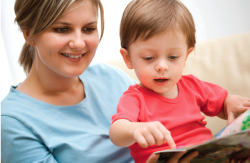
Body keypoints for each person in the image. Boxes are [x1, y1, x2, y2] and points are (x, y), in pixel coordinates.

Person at [1, 0, 199, 163]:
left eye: (88, 29)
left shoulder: (110, 77)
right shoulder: (13, 122)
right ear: (29, 34)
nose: (79, 43)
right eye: (62, 29)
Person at [109, 0, 250, 163]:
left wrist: (231, 103)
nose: (162, 66)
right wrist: (134, 130)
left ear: (186, 56)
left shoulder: (193, 86)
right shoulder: (134, 98)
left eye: (173, 57)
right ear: (128, 58)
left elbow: (223, 104)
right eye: (149, 58)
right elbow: (116, 133)